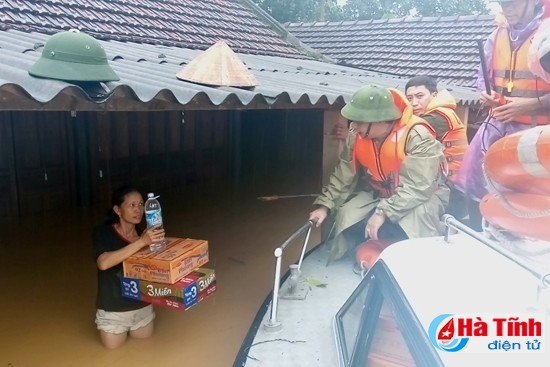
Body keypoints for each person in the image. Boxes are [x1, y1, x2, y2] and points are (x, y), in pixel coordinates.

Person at [308, 85, 449, 266]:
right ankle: (365, 247)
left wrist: (382, 212)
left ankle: (420, 263)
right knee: (346, 213)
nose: (354, 126)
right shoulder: (356, 135)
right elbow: (344, 174)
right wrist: (325, 205)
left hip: (422, 196)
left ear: (379, 120)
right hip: (381, 193)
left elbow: (419, 187)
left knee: (420, 216)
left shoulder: (417, 136)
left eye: (359, 121)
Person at [457, 0, 550, 231]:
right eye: (502, 3)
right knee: (474, 181)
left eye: (513, 3)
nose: (507, 8)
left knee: (526, 199)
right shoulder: (495, 36)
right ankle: (480, 237)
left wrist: (531, 105)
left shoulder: (546, 36)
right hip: (497, 125)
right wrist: (486, 94)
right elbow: (482, 76)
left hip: (537, 134)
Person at [93, 185, 165, 349]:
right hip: (114, 312)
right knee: (113, 351)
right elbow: (103, 263)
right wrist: (142, 242)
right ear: (118, 210)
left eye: (141, 204)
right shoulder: (103, 232)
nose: (138, 210)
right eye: (132, 205)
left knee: (145, 349)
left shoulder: (145, 234)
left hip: (142, 308)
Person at [405, 76, 469, 220]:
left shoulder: (437, 117)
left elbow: (403, 134)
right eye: (409, 98)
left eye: (420, 96)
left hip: (453, 192)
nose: (414, 103)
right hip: (453, 187)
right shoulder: (439, 113)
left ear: (434, 95)